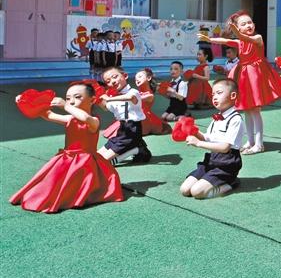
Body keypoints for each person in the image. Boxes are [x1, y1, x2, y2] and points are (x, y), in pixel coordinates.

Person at [10, 82, 124, 213]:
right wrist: (25, 101)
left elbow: (84, 117)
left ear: (92, 100)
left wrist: (65, 105)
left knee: (76, 183)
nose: (72, 101)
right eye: (68, 98)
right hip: (67, 158)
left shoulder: (94, 120)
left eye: (77, 97)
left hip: (85, 162)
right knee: (49, 182)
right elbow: (49, 115)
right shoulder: (70, 118)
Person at [199, 11, 281, 154]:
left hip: (255, 76)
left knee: (255, 110)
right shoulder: (240, 42)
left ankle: (259, 144)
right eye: (244, 24)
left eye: (250, 22)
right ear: (238, 28)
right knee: (247, 110)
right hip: (245, 76)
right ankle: (251, 141)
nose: (248, 25)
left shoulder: (257, 38)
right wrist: (209, 40)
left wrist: (236, 31)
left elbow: (242, 37)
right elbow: (225, 41)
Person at [180, 79, 244, 199]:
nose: (214, 97)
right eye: (213, 94)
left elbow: (225, 148)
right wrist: (193, 130)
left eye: (219, 93)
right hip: (211, 160)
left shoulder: (235, 119)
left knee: (197, 192)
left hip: (227, 162)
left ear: (233, 95)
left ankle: (231, 182)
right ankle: (209, 180)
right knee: (185, 190)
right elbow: (208, 138)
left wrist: (198, 143)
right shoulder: (217, 118)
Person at [97, 67, 152, 164]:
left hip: (132, 130)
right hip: (122, 131)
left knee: (102, 162)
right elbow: (106, 108)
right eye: (108, 81)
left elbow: (129, 97)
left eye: (115, 77)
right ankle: (137, 148)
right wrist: (97, 99)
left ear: (125, 76)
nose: (112, 82)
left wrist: (109, 99)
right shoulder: (115, 97)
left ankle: (136, 148)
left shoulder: (133, 92)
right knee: (97, 156)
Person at [103, 68, 170, 137]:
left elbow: (131, 99)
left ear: (149, 78)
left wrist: (110, 98)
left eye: (140, 77)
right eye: (135, 79)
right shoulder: (136, 92)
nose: (137, 79)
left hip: (144, 118)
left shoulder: (149, 95)